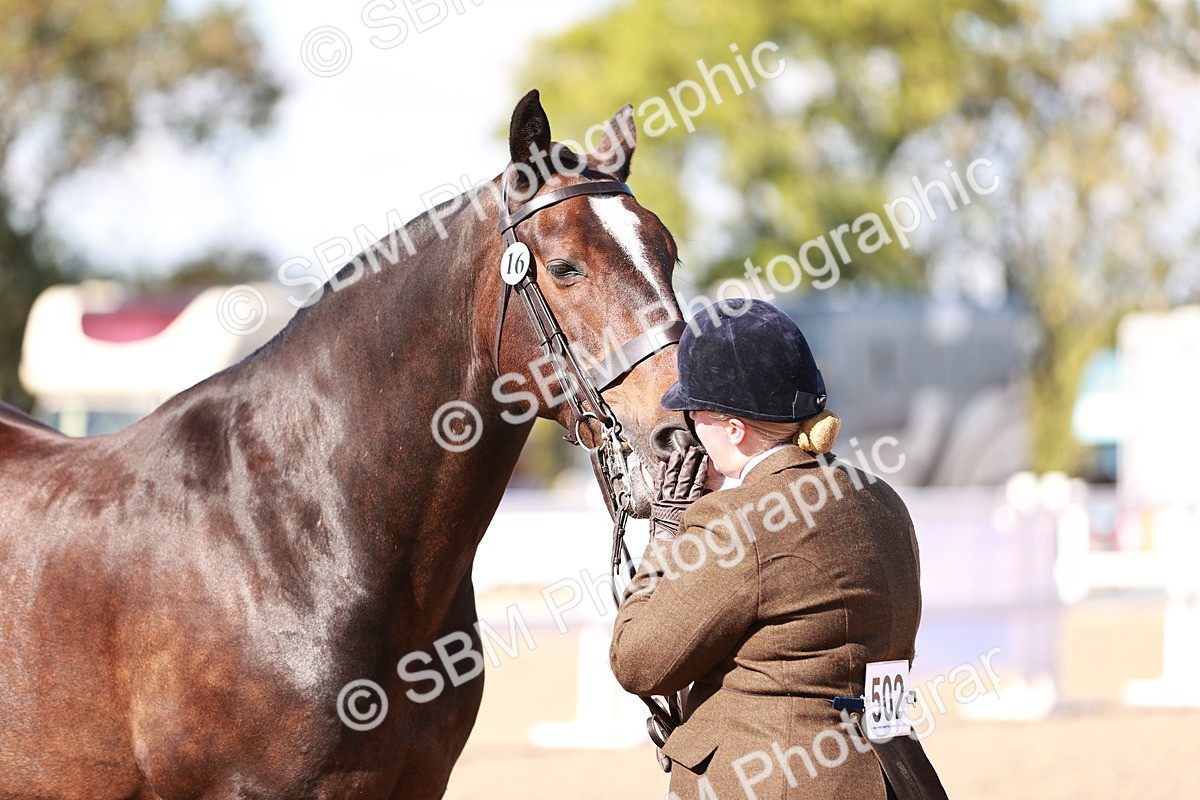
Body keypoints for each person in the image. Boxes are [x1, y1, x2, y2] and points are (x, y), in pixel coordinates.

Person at [610, 298, 948, 800]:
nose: (690, 428)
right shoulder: (883, 500)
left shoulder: (737, 520)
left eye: (696, 411)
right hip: (895, 776)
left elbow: (637, 661)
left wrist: (666, 533)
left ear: (733, 428)